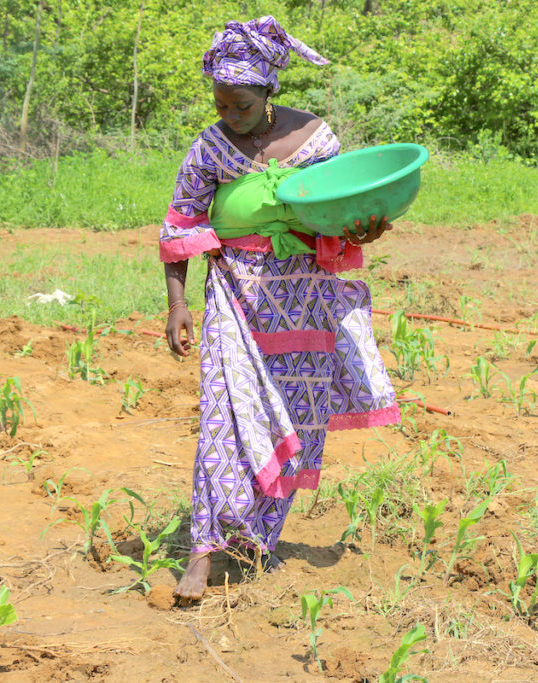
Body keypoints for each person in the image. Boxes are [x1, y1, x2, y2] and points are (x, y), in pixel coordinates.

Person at [159, 16, 398, 601]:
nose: (228, 114)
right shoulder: (209, 148)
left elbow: (342, 213)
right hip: (235, 295)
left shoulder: (317, 141)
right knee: (224, 414)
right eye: (219, 103)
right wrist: (176, 303)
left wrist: (364, 231)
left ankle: (254, 537)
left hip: (306, 299)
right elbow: (180, 222)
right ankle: (202, 550)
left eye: (239, 104)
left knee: (294, 419)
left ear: (268, 92)